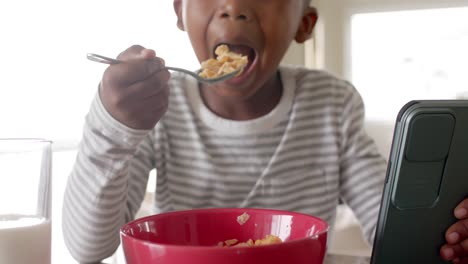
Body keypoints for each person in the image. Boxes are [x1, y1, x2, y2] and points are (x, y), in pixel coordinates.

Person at [62, 0, 468, 263]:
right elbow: (87, 247)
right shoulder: (159, 109)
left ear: (304, 24)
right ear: (179, 10)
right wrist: (114, 128)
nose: (235, 7)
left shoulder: (330, 104)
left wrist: (446, 229)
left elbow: (390, 226)